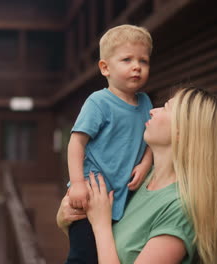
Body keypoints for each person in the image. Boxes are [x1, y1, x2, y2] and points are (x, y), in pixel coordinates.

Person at [58, 87, 217, 263]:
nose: (152, 111)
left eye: (165, 108)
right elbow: (94, 248)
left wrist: (100, 225)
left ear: (182, 131)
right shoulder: (140, 178)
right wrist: (65, 217)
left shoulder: (180, 210)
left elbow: (103, 232)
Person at [66, 24, 154, 263]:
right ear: (105, 67)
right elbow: (76, 143)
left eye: (143, 61)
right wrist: (77, 184)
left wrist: (145, 164)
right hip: (92, 194)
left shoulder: (146, 103)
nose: (137, 66)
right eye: (127, 60)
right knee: (83, 256)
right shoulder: (99, 102)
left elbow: (150, 141)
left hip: (122, 199)